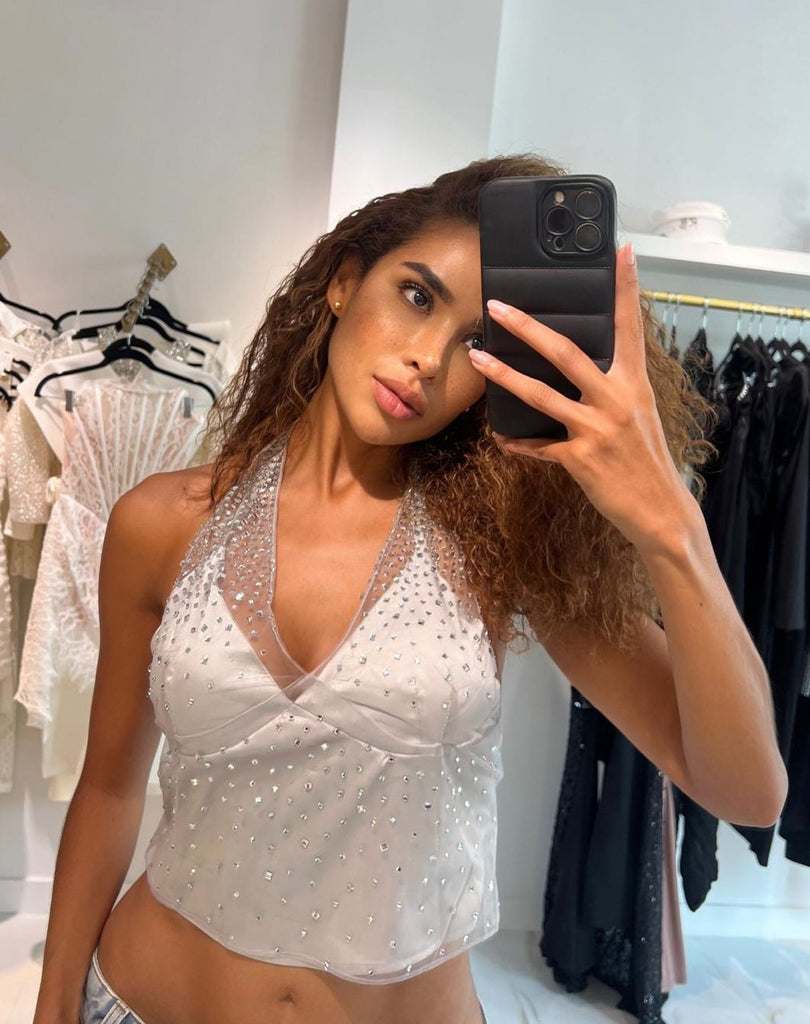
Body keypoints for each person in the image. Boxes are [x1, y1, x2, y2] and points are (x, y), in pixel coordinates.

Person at [32, 154, 787, 1024]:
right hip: (140, 1001)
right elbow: (110, 789)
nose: (427, 358)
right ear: (343, 283)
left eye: (478, 344)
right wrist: (52, 1006)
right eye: (418, 295)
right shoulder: (161, 523)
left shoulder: (501, 548)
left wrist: (673, 529)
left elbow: (747, 791)